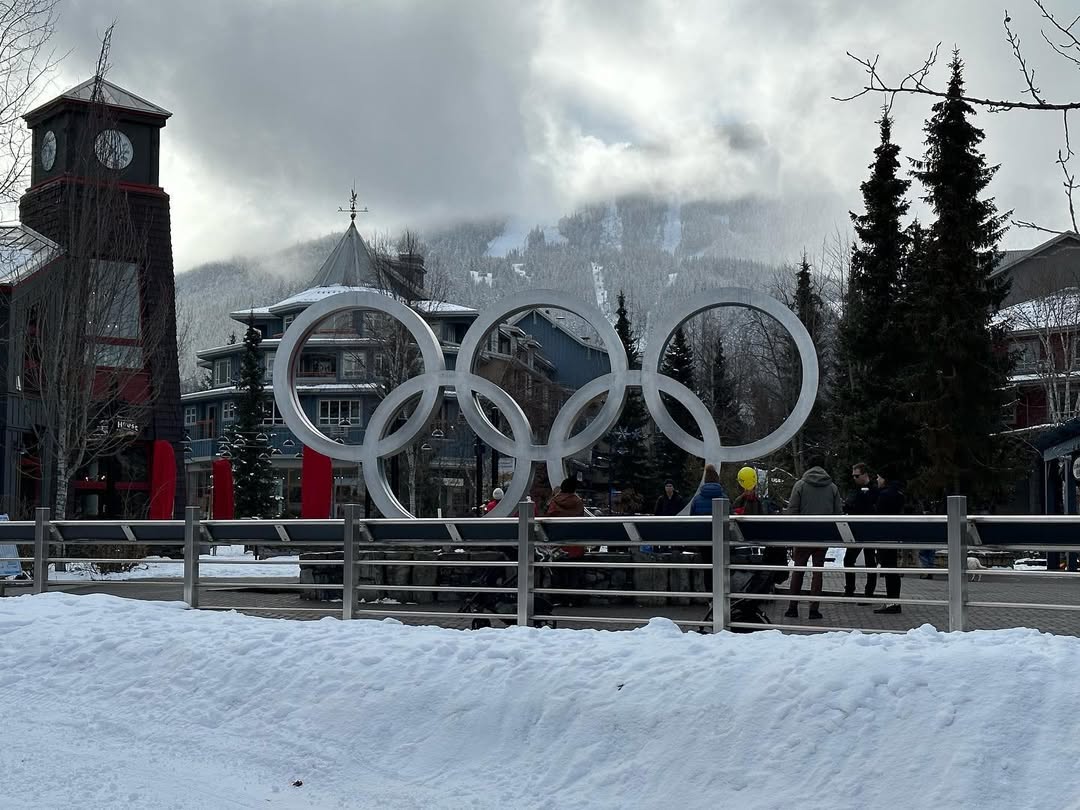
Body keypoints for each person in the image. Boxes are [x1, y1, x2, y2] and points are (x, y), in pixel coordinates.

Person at [784, 457, 843, 621]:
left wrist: (793, 532)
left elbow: (792, 510)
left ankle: (792, 608)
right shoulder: (832, 487)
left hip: (803, 534)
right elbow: (838, 513)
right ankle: (814, 609)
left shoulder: (800, 485)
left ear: (808, 467)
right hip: (822, 535)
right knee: (818, 572)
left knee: (798, 570)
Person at [843, 462, 879, 602]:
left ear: (865, 475)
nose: (854, 478)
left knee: (870, 561)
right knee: (848, 560)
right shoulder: (855, 489)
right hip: (857, 530)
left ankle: (868, 592)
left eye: (857, 475)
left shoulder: (874, 490)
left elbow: (872, 507)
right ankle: (849, 590)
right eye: (853, 476)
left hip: (869, 529)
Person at [873, 469, 907, 614]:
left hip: (885, 535)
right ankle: (894, 601)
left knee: (889, 568)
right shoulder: (900, 493)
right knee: (892, 569)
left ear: (885, 479)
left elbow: (878, 515)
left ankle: (892, 602)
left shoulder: (884, 495)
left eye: (879, 477)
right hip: (896, 534)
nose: (877, 480)